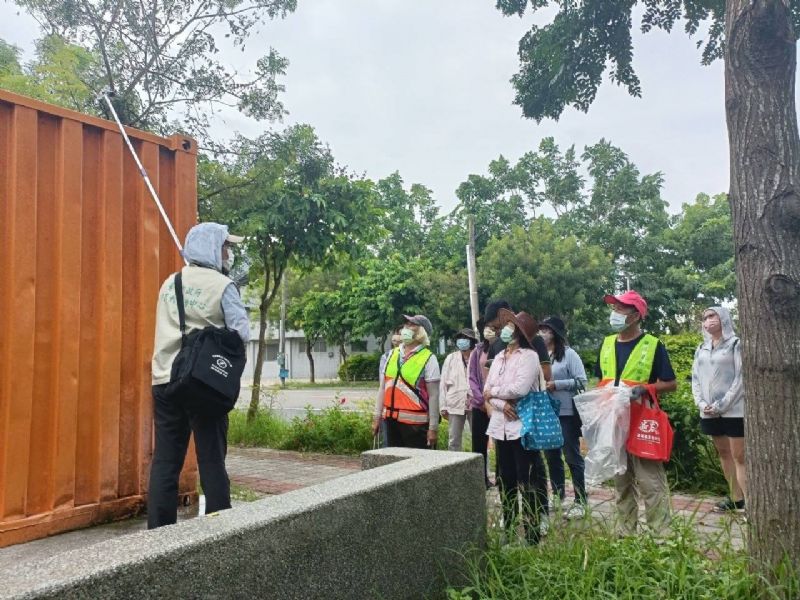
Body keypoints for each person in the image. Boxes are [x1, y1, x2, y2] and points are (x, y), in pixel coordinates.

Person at [148, 222, 250, 529]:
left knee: (166, 462)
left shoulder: (170, 282)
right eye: (226, 246)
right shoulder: (222, 286)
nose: (229, 252)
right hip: (203, 383)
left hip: (165, 380)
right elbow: (241, 333)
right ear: (213, 248)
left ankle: (158, 534)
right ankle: (219, 529)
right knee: (211, 461)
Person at [594, 290, 677, 536]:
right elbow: (603, 380)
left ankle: (662, 537)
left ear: (635, 316)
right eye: (614, 308)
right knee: (621, 481)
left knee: (650, 482)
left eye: (621, 309)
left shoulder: (652, 345)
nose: (615, 314)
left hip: (642, 421)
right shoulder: (607, 343)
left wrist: (645, 388)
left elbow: (670, 383)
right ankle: (625, 534)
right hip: (614, 421)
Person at [484, 308, 548, 545]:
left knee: (527, 480)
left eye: (511, 326)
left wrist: (495, 394)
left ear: (519, 332)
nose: (505, 329)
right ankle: (509, 529)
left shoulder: (529, 356)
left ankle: (532, 534)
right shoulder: (499, 356)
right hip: (500, 426)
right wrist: (500, 403)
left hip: (522, 427)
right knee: (506, 480)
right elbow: (486, 390)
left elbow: (520, 389)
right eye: (505, 325)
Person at [692, 306, 745, 512]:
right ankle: (736, 498)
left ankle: (750, 503)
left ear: (723, 318)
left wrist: (722, 404)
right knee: (724, 453)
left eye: (712, 316)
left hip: (734, 410)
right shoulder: (701, 348)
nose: (708, 321)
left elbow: (741, 378)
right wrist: (701, 403)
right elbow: (695, 379)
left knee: (740, 456)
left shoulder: (736, 345)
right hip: (708, 411)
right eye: (705, 318)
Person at [540, 316, 589, 519]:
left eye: (547, 330)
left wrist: (558, 385)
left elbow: (581, 381)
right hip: (547, 412)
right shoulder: (539, 355)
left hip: (567, 412)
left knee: (572, 456)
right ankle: (558, 494)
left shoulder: (569, 355)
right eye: (541, 329)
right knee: (552, 456)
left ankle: (580, 500)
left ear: (556, 333)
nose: (542, 333)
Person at [372, 314, 440, 449]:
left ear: (422, 332)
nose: (406, 327)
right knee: (393, 463)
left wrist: (433, 428)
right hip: (390, 420)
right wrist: (376, 416)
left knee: (416, 465)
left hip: (416, 425)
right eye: (406, 324)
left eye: (412, 325)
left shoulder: (428, 358)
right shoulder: (391, 355)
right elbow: (382, 388)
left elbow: (434, 396)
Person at [440, 328, 478, 451]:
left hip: (476, 403)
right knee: (453, 440)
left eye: (466, 338)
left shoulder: (477, 356)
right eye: (460, 338)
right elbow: (443, 383)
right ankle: (454, 467)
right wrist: (443, 406)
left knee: (479, 439)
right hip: (454, 402)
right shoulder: (451, 358)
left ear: (472, 341)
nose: (462, 341)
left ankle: (483, 469)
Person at [468, 317, 495, 488]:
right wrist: (481, 400)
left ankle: (502, 477)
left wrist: (493, 401)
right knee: (479, 444)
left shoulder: (504, 349)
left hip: (500, 404)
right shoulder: (477, 351)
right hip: (479, 405)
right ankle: (480, 479)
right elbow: (471, 377)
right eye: (486, 327)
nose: (488, 330)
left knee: (503, 445)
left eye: (492, 327)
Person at [375, 327, 403, 447]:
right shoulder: (387, 356)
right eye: (395, 339)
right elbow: (382, 385)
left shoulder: (419, 357)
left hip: (407, 409)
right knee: (388, 445)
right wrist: (377, 414)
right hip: (389, 408)